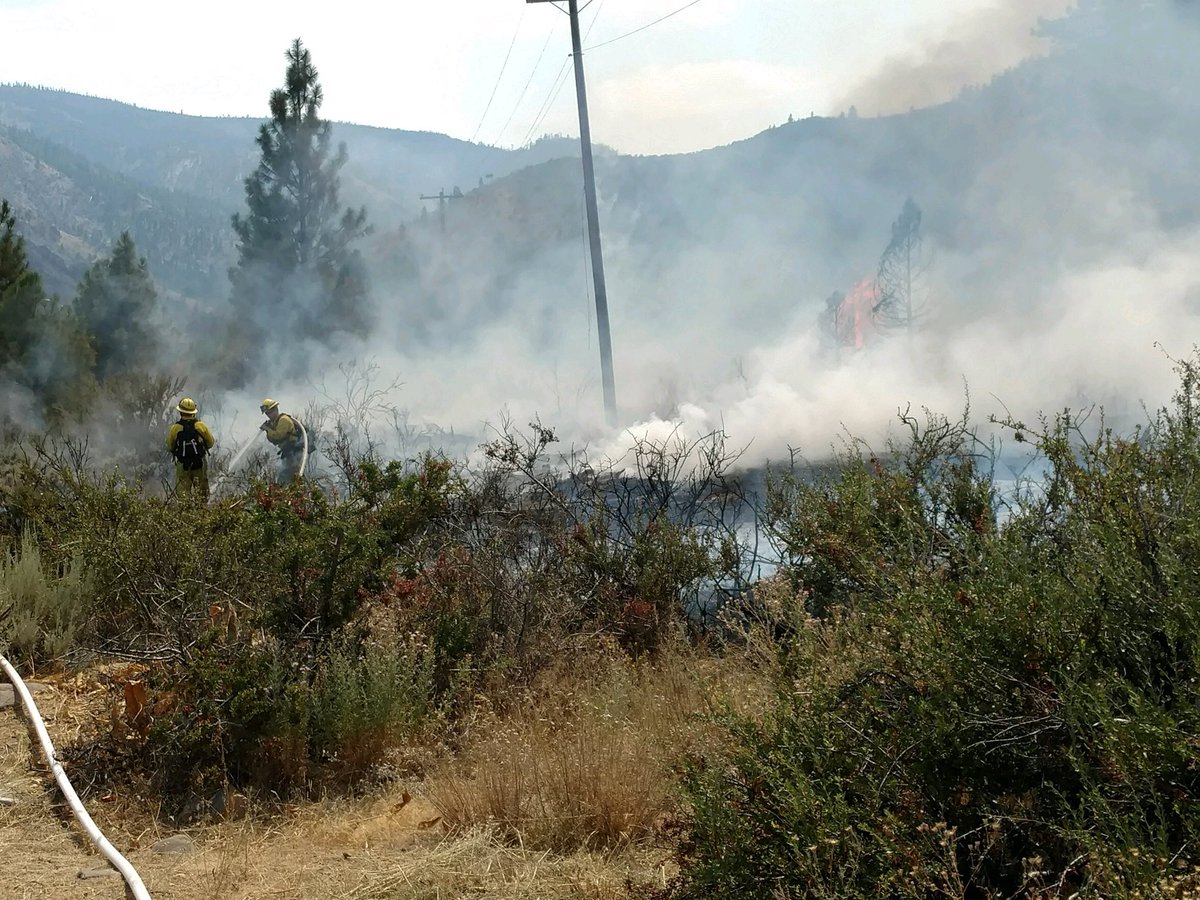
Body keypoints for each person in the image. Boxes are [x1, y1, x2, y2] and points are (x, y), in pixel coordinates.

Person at [166, 397, 216, 501]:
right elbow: (210, 442)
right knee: (202, 492)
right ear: (193, 412)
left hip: (183, 465)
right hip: (199, 464)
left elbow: (170, 446)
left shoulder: (175, 428)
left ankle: (186, 510)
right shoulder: (201, 426)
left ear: (180, 412)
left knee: (183, 493)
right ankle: (201, 509)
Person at [259, 398, 305, 482]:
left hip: (294, 452)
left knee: (286, 477)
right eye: (267, 413)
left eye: (270, 412)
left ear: (276, 409)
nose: (268, 415)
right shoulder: (276, 422)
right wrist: (269, 428)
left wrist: (267, 429)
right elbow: (272, 439)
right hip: (288, 452)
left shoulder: (283, 420)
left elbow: (279, 436)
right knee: (289, 476)